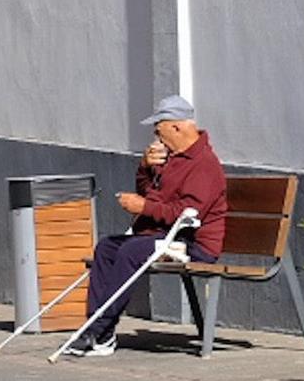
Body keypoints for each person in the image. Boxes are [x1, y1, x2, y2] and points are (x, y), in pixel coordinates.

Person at [67, 95, 229, 358]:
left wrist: (143, 208)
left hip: (194, 244)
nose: (156, 136)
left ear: (176, 127)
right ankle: (101, 334)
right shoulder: (173, 157)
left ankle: (97, 329)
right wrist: (145, 168)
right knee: (108, 247)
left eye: (158, 129)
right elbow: (151, 193)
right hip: (164, 236)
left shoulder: (204, 165)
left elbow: (188, 215)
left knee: (132, 251)